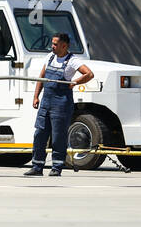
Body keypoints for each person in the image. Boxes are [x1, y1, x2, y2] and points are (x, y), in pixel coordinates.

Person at [24, 33, 94, 177]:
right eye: (52, 43)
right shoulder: (49, 57)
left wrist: (75, 82)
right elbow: (41, 77)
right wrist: (36, 96)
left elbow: (89, 74)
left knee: (58, 136)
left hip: (61, 104)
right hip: (45, 102)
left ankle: (57, 166)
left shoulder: (72, 61)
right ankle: (37, 166)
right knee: (39, 134)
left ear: (64, 45)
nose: (52, 46)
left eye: (55, 44)